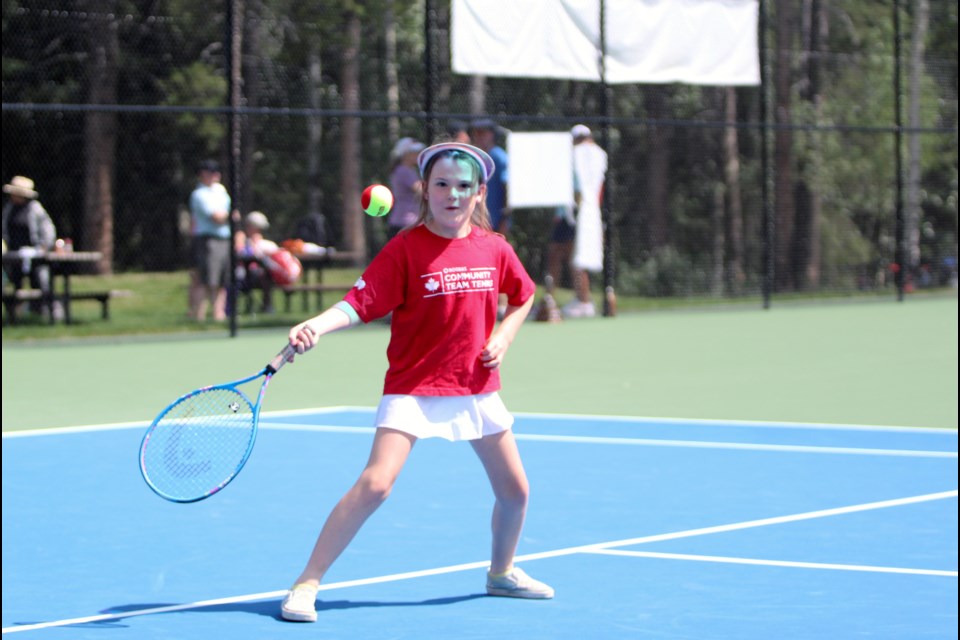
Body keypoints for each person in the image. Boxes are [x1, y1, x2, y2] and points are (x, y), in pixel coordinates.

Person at [278, 141, 553, 624]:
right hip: (413, 385)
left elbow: (524, 296)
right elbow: (359, 302)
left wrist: (504, 335)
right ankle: (306, 583)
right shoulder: (405, 248)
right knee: (377, 484)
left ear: (479, 193)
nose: (452, 194)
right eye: (442, 184)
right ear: (424, 190)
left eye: (463, 186)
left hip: (476, 386)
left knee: (516, 491)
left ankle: (501, 573)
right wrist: (316, 326)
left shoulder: (495, 248)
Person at [561, 125, 608, 319]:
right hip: (590, 210)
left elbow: (580, 188)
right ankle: (582, 299)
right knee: (578, 257)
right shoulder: (599, 154)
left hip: (582, 211)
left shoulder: (579, 154)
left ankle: (584, 301)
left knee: (579, 258)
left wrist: (576, 208)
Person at [1, 176, 57, 314]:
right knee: (11, 281)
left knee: (41, 279)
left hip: (35, 254)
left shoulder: (35, 209)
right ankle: (13, 312)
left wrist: (44, 246)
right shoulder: (9, 209)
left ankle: (44, 310)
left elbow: (48, 230)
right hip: (13, 255)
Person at [188, 160, 232, 321]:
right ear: (203, 175)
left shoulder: (221, 192)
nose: (215, 176)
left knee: (221, 281)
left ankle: (218, 315)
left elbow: (224, 215)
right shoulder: (199, 195)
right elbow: (217, 217)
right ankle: (198, 316)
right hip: (208, 240)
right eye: (210, 172)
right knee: (205, 280)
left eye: (216, 172)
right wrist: (231, 216)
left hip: (224, 239)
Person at [234, 211, 281, 314]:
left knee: (266, 277)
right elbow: (239, 254)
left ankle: (267, 306)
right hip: (242, 273)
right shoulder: (241, 239)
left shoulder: (267, 244)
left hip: (260, 274)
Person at [468, 118, 510, 235]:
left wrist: (505, 218)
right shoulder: (474, 156)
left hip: (496, 221)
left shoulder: (499, 157)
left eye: (482, 133)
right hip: (477, 218)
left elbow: (508, 188)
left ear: (491, 135)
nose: (478, 136)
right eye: (475, 133)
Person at [386, 137, 425, 238]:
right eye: (414, 151)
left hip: (403, 222)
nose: (417, 154)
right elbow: (422, 191)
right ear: (405, 154)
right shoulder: (404, 171)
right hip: (405, 223)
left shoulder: (403, 170)